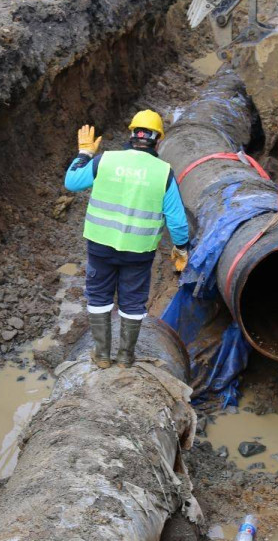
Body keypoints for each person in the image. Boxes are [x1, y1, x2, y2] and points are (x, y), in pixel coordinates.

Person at [64, 110, 190, 368]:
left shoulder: (105, 160)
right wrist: (181, 247)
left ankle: (101, 356)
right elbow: (177, 221)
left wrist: (84, 154)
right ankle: (125, 357)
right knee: (133, 302)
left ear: (132, 134)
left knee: (99, 298)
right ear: (158, 141)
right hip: (138, 253)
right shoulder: (162, 172)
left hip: (100, 247)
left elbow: (72, 182)